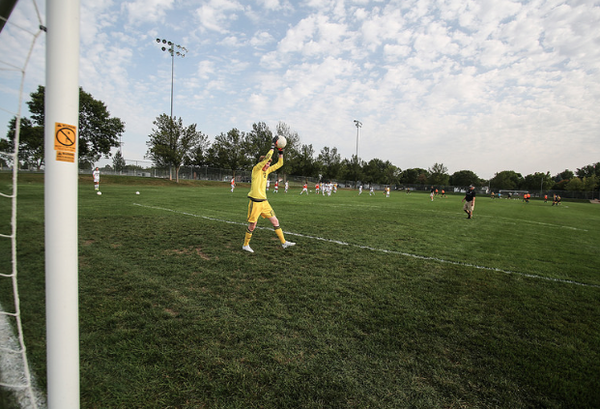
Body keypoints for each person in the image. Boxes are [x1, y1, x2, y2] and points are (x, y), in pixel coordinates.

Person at [243, 137, 295, 253]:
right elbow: (267, 157)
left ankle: (284, 243)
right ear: (262, 163)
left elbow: (280, 163)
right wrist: (272, 146)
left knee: (275, 222)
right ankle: (245, 245)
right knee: (252, 226)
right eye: (266, 164)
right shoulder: (256, 169)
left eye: (268, 164)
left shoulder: (267, 171)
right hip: (255, 202)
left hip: (264, 202)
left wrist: (280, 151)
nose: (267, 165)